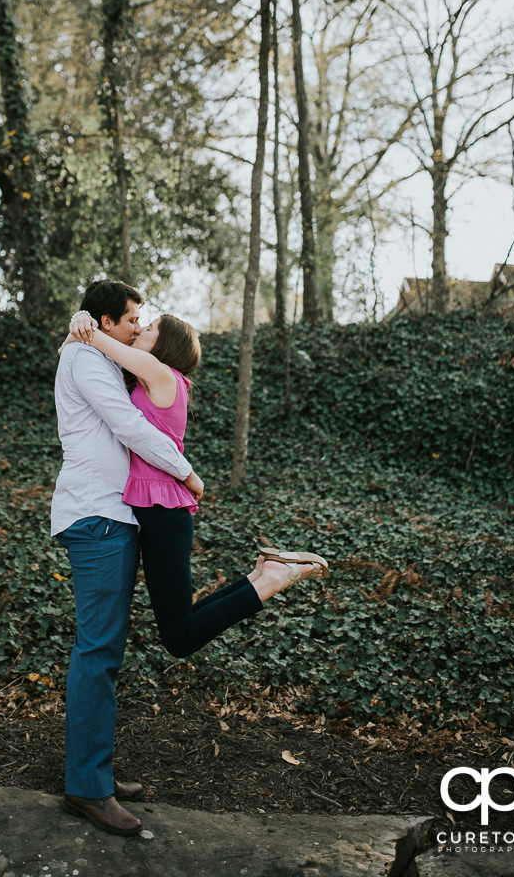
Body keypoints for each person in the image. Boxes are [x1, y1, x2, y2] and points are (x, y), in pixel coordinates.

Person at [65, 308, 328, 662]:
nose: (142, 328)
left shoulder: (160, 373)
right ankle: (263, 574)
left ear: (167, 344)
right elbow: (83, 355)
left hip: (163, 513)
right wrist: (77, 328)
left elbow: (98, 342)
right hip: (158, 511)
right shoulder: (151, 378)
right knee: (180, 625)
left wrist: (81, 322)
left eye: (151, 327)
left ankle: (273, 580)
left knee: (180, 638)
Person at [51, 279, 203, 839]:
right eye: (133, 318)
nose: (139, 326)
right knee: (97, 650)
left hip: (112, 515)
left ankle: (95, 772)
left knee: (105, 650)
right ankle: (87, 788)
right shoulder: (87, 359)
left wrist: (82, 320)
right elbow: (129, 426)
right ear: (108, 321)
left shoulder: (93, 347)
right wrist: (185, 470)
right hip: (97, 517)